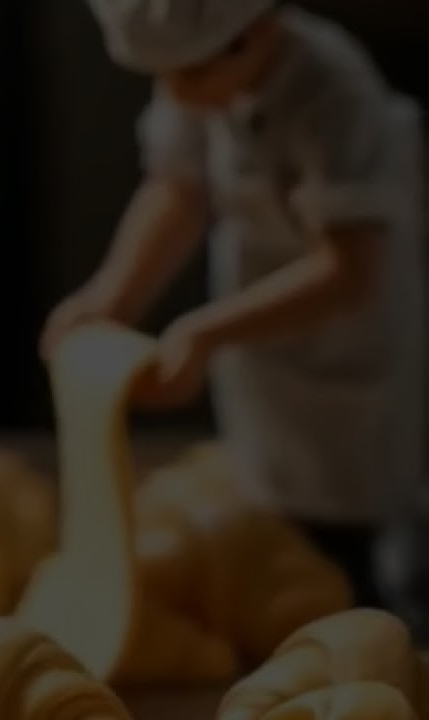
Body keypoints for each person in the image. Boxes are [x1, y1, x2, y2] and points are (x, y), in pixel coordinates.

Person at [42, 0, 425, 608]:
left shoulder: (334, 92)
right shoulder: (202, 71)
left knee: (355, 535)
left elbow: (350, 268)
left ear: (260, 31)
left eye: (191, 73)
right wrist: (111, 298)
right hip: (261, 336)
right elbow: (178, 190)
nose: (176, 92)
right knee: (275, 510)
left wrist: (205, 334)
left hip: (351, 344)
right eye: (163, 76)